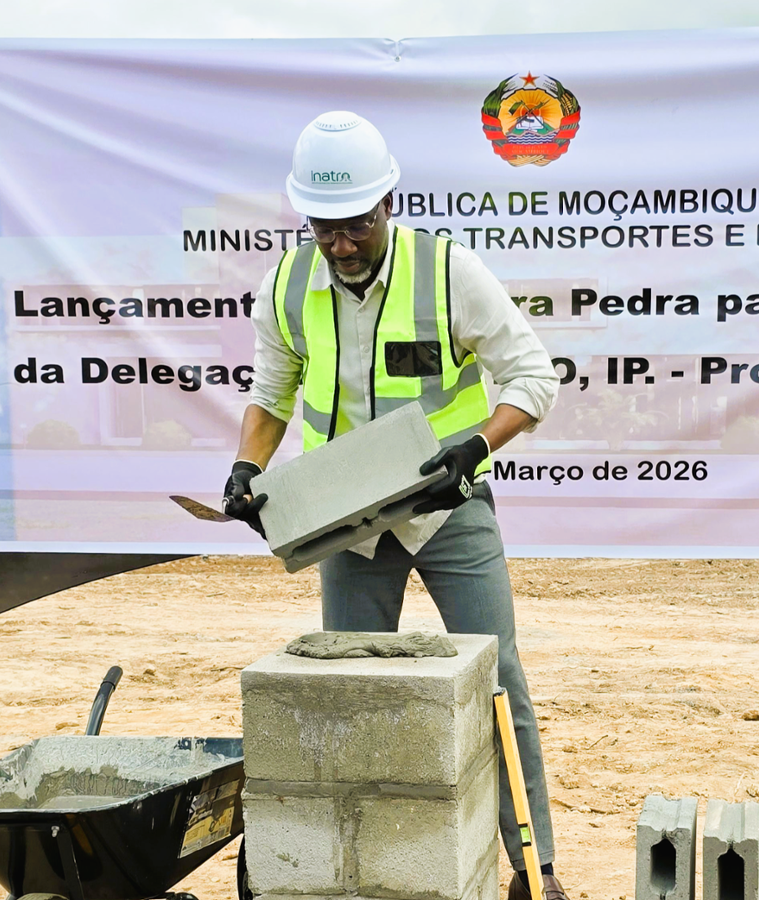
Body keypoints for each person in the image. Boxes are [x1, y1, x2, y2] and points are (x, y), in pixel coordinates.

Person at [223, 110, 567, 900]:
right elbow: (271, 396)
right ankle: (365, 864)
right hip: (347, 523)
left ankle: (533, 867)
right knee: (347, 684)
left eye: (356, 227)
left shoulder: (447, 271)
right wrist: (247, 465)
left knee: (499, 678)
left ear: (388, 205)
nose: (341, 245)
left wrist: (475, 449)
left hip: (449, 509)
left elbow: (534, 378)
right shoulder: (286, 283)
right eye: (324, 229)